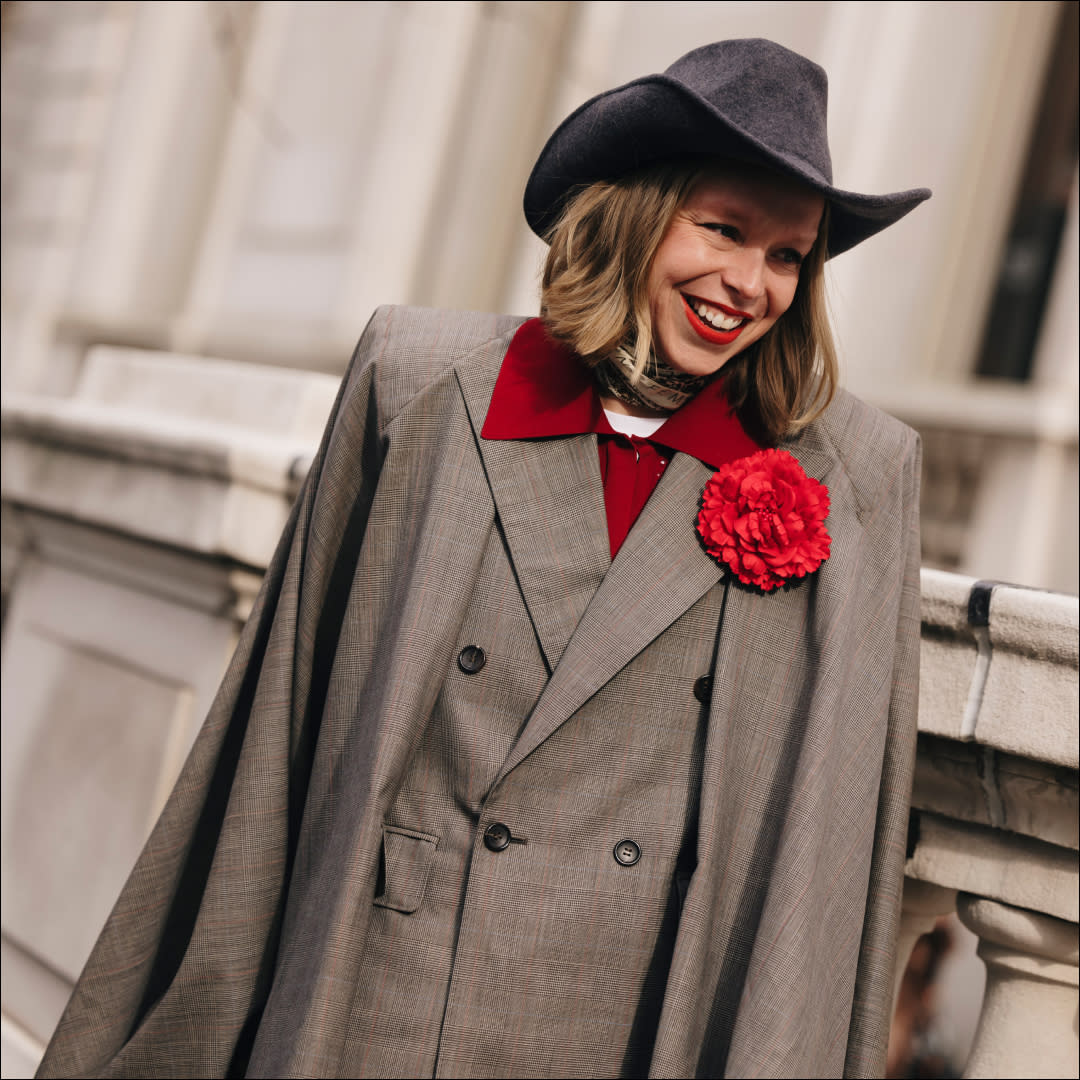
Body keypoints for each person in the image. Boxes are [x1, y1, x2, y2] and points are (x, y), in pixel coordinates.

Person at [37, 38, 930, 1080]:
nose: (749, 284)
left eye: (788, 255)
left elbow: (833, 864)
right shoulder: (421, 384)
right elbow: (274, 734)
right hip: (378, 996)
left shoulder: (851, 478)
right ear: (638, 212)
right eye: (723, 230)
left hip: (625, 1024)